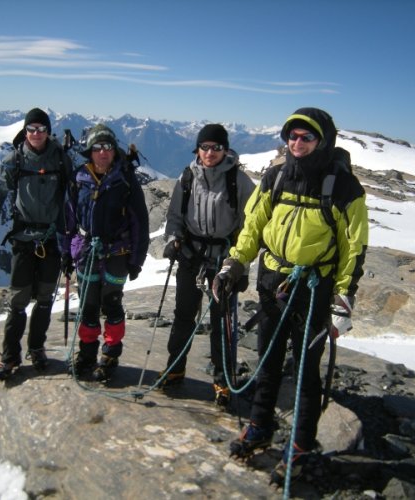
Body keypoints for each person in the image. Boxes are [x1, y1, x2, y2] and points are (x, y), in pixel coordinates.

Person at [213, 107, 369, 483]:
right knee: (268, 359)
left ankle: (300, 445)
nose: (296, 144)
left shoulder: (344, 187)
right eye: (292, 137)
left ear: (323, 141)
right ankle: (259, 426)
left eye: (306, 137)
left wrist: (343, 299)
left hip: (315, 289)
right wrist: (235, 264)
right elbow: (253, 226)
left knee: (305, 370)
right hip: (273, 282)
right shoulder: (277, 176)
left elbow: (354, 246)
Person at [158, 124, 255, 407]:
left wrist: (241, 267)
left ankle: (223, 380)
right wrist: (175, 239)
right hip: (191, 255)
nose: (209, 152)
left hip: (223, 259)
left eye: (216, 147)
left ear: (225, 150)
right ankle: (175, 368)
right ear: (197, 149)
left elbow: (250, 228)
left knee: (221, 321)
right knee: (183, 315)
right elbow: (175, 215)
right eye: (205, 147)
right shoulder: (187, 177)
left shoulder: (240, 181)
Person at [0, 108, 73, 380]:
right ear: (25, 131)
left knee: (44, 299)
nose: (36, 134)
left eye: (41, 129)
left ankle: (36, 349)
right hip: (23, 240)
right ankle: (9, 356)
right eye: (31, 129)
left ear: (48, 132)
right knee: (19, 301)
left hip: (52, 240)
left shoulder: (61, 159)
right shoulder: (15, 161)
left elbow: (76, 189)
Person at [63, 124, 149, 382]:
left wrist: (137, 260)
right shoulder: (78, 179)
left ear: (114, 151)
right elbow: (67, 219)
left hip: (117, 254)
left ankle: (110, 356)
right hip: (87, 252)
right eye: (98, 147)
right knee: (89, 307)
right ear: (90, 151)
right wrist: (65, 253)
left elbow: (140, 222)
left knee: (112, 304)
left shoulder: (125, 180)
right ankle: (87, 355)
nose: (103, 152)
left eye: (108, 147)